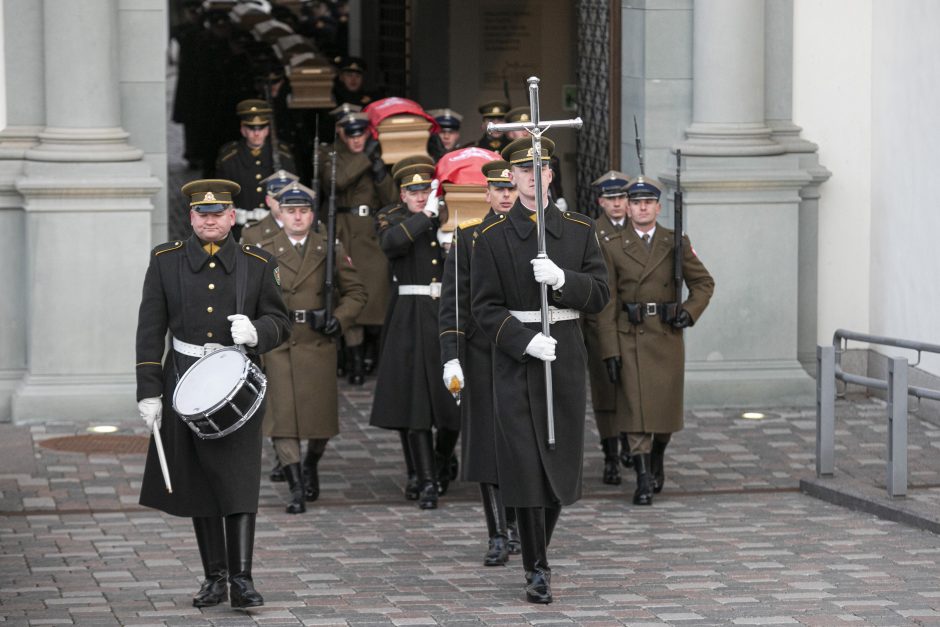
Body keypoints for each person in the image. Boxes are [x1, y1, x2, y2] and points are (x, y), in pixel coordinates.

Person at [135, 179, 291, 609]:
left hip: (238, 382)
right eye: (202, 214)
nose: (209, 219)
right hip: (183, 381)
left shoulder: (257, 264)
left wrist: (257, 332)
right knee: (201, 482)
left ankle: (242, 578)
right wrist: (149, 391)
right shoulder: (165, 261)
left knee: (239, 480)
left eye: (218, 213)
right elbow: (150, 329)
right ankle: (214, 578)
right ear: (191, 217)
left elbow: (280, 322)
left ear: (231, 217)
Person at [470, 137, 609, 603]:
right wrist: (524, 339)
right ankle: (536, 567)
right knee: (526, 463)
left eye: (540, 167)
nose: (532, 175)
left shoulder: (579, 230)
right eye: (523, 169)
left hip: (565, 353)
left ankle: (537, 547)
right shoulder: (490, 238)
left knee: (559, 462)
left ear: (550, 174)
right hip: (517, 360)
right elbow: (484, 309)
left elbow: (601, 294)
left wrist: (565, 280)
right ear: (512, 177)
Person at [595, 176, 715, 506]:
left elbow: (704, 283)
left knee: (664, 414)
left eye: (648, 202)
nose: (642, 207)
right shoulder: (613, 245)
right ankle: (644, 477)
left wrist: (689, 312)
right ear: (629, 209)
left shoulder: (674, 241)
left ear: (658, 208)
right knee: (634, 409)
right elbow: (607, 301)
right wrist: (609, 349)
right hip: (630, 334)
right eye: (636, 202)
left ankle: (657, 456)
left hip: (665, 334)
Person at [257, 181, 367, 513]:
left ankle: (311, 464)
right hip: (280, 342)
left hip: (317, 340)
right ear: (280, 212)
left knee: (320, 421)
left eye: (303, 211)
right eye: (291, 211)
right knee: (283, 419)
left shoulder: (328, 247)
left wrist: (339, 319)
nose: (298, 217)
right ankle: (294, 486)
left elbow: (357, 292)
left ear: (311, 214)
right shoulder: (264, 249)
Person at [439, 159, 521, 565]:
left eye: (511, 188)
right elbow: (453, 304)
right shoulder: (468, 238)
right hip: (483, 353)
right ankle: (497, 533)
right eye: (498, 189)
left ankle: (522, 525)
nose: (505, 195)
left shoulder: (536, 237)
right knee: (488, 445)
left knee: (523, 443)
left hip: (522, 353)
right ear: (486, 194)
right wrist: (451, 357)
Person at [370, 156, 460, 510]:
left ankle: (440, 460)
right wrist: (426, 218)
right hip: (410, 315)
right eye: (413, 191)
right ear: (403, 194)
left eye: (425, 190)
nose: (420, 197)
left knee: (454, 398)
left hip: (447, 313)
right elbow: (391, 244)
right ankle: (425, 479)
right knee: (416, 402)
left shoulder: (450, 214)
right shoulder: (393, 217)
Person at [318, 110, 397, 384]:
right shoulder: (329, 154)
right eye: (350, 134)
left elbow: (392, 199)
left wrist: (379, 172)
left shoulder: (378, 156)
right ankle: (354, 363)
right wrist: (366, 159)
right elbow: (335, 182)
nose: (356, 140)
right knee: (349, 297)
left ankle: (372, 357)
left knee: (376, 298)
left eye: (360, 134)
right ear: (341, 133)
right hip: (344, 231)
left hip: (371, 235)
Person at [583, 170, 633, 486]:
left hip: (630, 324)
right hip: (599, 322)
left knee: (631, 389)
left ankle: (630, 443)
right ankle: (611, 455)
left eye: (622, 198)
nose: (617, 204)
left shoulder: (639, 230)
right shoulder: (592, 233)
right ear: (601, 202)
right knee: (605, 393)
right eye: (611, 199)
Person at [216, 99, 297, 228]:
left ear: (268, 130)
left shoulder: (283, 157)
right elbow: (220, 197)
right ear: (243, 129)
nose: (257, 133)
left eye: (262, 127)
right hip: (240, 227)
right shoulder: (229, 159)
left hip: (274, 227)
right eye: (251, 128)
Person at [503, 106, 565, 208]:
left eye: (530, 127)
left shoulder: (551, 159)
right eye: (521, 128)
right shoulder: (503, 160)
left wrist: (560, 198)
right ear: (510, 133)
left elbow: (556, 187)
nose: (526, 132)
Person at [240, 169, 299, 247]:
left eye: (287, 195)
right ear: (268, 201)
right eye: (277, 196)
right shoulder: (252, 233)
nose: (283, 200)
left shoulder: (314, 228)